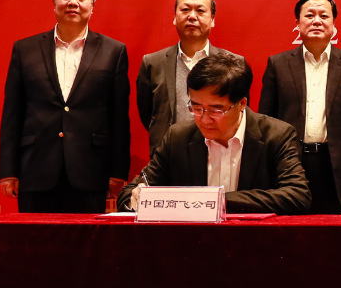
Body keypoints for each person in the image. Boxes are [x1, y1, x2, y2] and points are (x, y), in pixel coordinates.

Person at [0, 0, 130, 213]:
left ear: (92, 5)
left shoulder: (113, 52)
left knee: (85, 238)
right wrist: (8, 171)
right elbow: (12, 114)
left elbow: (119, 118)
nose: (73, 2)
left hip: (90, 170)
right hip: (35, 169)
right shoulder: (25, 49)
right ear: (54, 1)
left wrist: (118, 171)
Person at [118, 55, 311, 215]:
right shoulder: (178, 137)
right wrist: (137, 198)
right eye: (196, 108)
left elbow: (297, 196)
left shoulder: (276, 135)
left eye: (216, 110)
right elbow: (129, 194)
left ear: (242, 104)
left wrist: (215, 201)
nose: (204, 119)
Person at [258, 0, 341, 214]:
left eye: (324, 15)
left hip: (336, 167)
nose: (317, 21)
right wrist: (265, 175)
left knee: (334, 232)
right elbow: (265, 124)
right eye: (309, 15)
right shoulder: (278, 64)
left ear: (334, 24)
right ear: (297, 23)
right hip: (290, 164)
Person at [137, 0, 240, 153]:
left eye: (200, 10)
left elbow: (238, 112)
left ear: (212, 19)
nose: (192, 16)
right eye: (185, 10)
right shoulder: (152, 63)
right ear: (174, 17)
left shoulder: (233, 63)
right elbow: (147, 113)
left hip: (219, 153)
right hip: (167, 155)